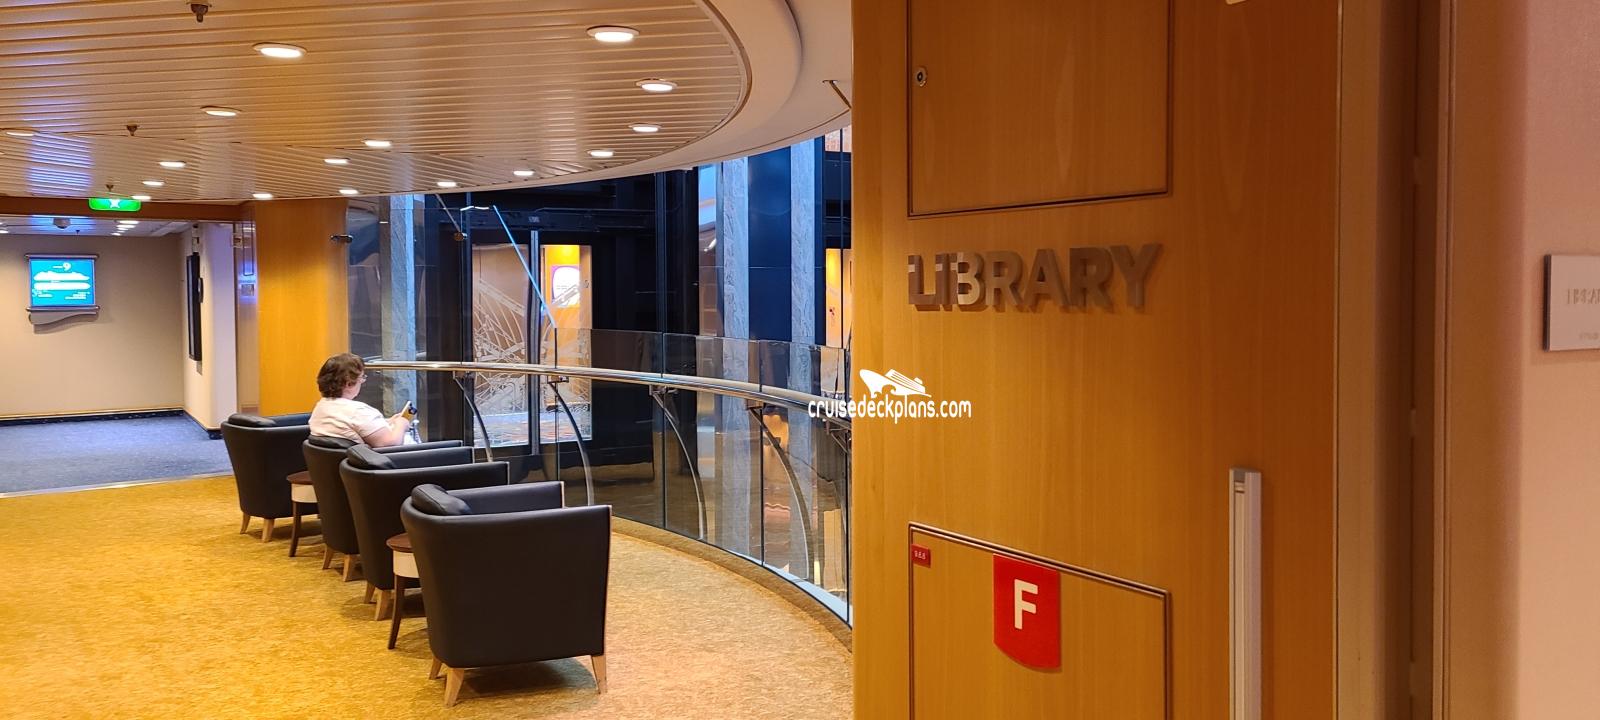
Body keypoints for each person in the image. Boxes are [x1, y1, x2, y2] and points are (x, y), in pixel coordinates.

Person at [308, 353, 414, 447]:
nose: (363, 381)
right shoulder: (358, 411)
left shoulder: (321, 407)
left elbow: (356, 426)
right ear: (349, 383)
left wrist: (388, 422)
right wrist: (401, 424)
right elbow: (390, 444)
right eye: (362, 377)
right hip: (390, 461)